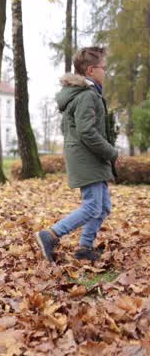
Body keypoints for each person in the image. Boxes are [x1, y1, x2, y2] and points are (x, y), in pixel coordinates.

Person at [36, 46, 118, 263]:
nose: (106, 72)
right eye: (104, 68)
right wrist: (110, 152)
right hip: (88, 160)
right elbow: (87, 131)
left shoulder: (84, 95)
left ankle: (84, 248)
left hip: (90, 159)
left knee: (103, 206)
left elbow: (72, 130)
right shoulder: (86, 96)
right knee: (92, 206)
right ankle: (51, 234)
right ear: (91, 70)